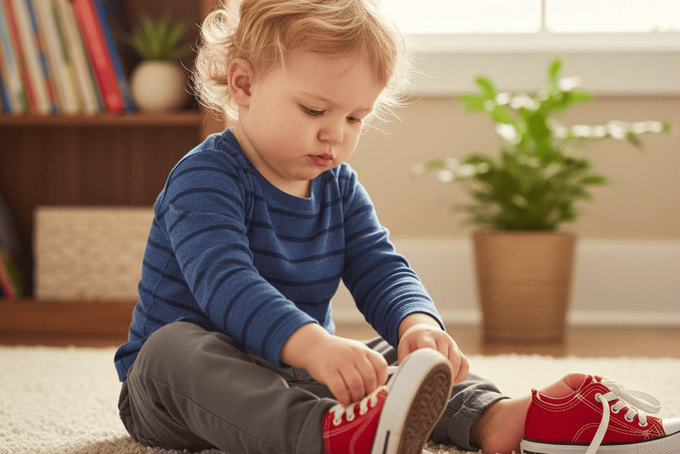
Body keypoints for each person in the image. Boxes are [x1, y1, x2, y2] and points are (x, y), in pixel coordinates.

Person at [114, 1, 680, 453]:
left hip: (291, 370)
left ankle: (496, 418)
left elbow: (380, 267)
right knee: (174, 348)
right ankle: (324, 436)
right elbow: (226, 283)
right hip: (174, 394)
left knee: (398, 354)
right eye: (315, 111)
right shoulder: (206, 177)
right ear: (242, 85)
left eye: (355, 117)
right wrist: (316, 347)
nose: (335, 135)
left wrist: (417, 325)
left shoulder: (338, 185)